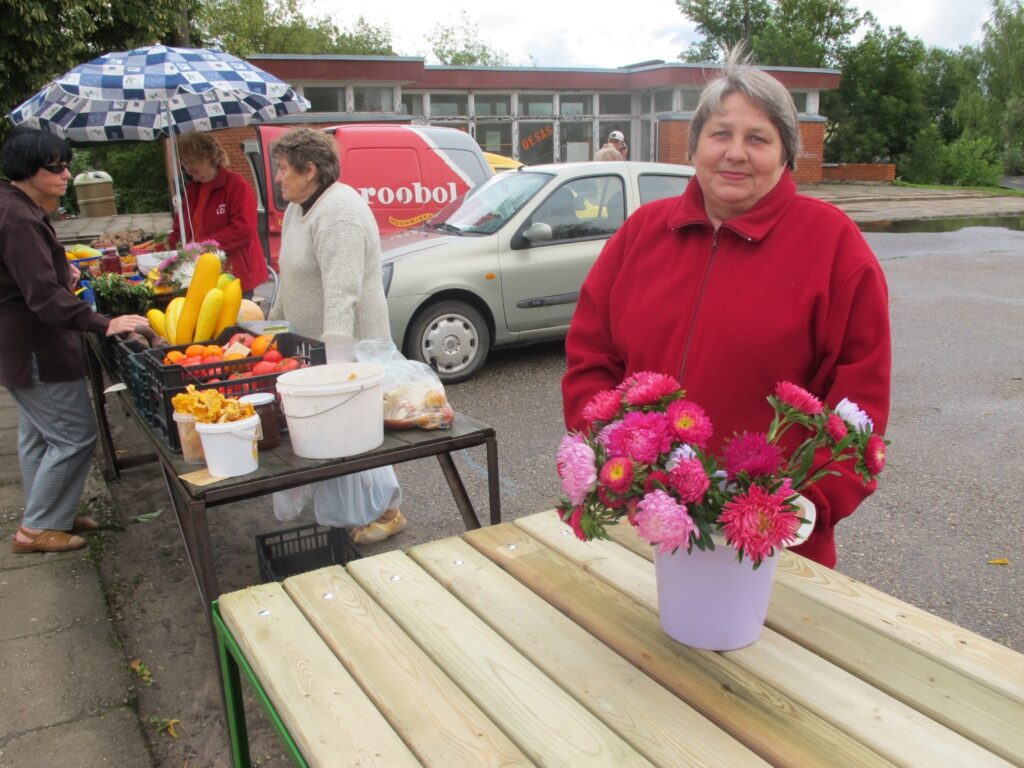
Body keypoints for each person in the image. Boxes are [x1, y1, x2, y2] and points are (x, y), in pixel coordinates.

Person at [561, 48, 890, 568]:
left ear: (785, 155)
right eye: (721, 134)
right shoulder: (642, 233)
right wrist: (613, 462)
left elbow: (859, 400)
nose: (736, 153)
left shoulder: (833, 247)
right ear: (694, 147)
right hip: (641, 527)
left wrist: (807, 506)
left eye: (758, 138)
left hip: (772, 544)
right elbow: (591, 359)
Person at [0, 128, 148, 554]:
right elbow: (44, 299)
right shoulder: (18, 218)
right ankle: (36, 529)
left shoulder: (17, 207)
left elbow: (26, 276)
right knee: (74, 436)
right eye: (56, 167)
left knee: (39, 435)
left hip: (22, 344)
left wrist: (59, 269)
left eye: (66, 165)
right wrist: (103, 323)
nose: (67, 174)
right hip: (35, 347)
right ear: (28, 170)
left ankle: (51, 514)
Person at [267, 127, 406, 544]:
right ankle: (347, 513)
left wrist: (337, 365)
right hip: (312, 344)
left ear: (310, 170)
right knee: (331, 435)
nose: (278, 177)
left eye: (283, 168)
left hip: (351, 346)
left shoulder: (339, 212)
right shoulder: (298, 208)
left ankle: (389, 512)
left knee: (359, 433)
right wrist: (272, 328)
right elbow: (291, 277)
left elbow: (343, 293)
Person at [166, 132, 267, 298]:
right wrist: (167, 250)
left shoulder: (236, 184)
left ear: (209, 157)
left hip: (233, 274)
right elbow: (180, 228)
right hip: (200, 272)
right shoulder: (191, 190)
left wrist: (202, 247)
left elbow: (243, 228)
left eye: (192, 161)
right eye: (184, 163)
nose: (187, 168)